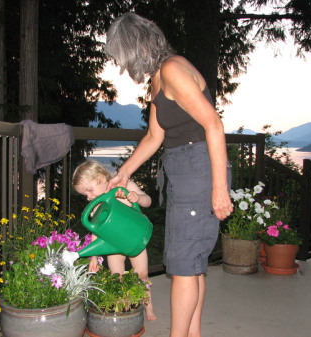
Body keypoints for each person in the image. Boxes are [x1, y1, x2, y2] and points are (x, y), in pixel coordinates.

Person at [104, 12, 233, 337]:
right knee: (191, 266)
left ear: (135, 49)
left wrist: (219, 189)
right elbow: (154, 136)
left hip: (197, 169)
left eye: (123, 57)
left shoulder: (174, 69)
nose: (123, 66)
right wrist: (124, 174)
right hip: (183, 171)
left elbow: (213, 125)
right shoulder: (161, 77)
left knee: (183, 267)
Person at [72, 160, 156, 320]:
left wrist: (137, 197)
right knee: (116, 277)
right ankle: (124, 307)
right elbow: (96, 232)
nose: (89, 197)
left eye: (89, 190)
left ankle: (148, 306)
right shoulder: (98, 205)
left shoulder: (125, 186)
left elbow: (148, 201)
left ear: (102, 177)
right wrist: (94, 257)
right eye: (85, 195)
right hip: (113, 245)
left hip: (135, 240)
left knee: (142, 275)